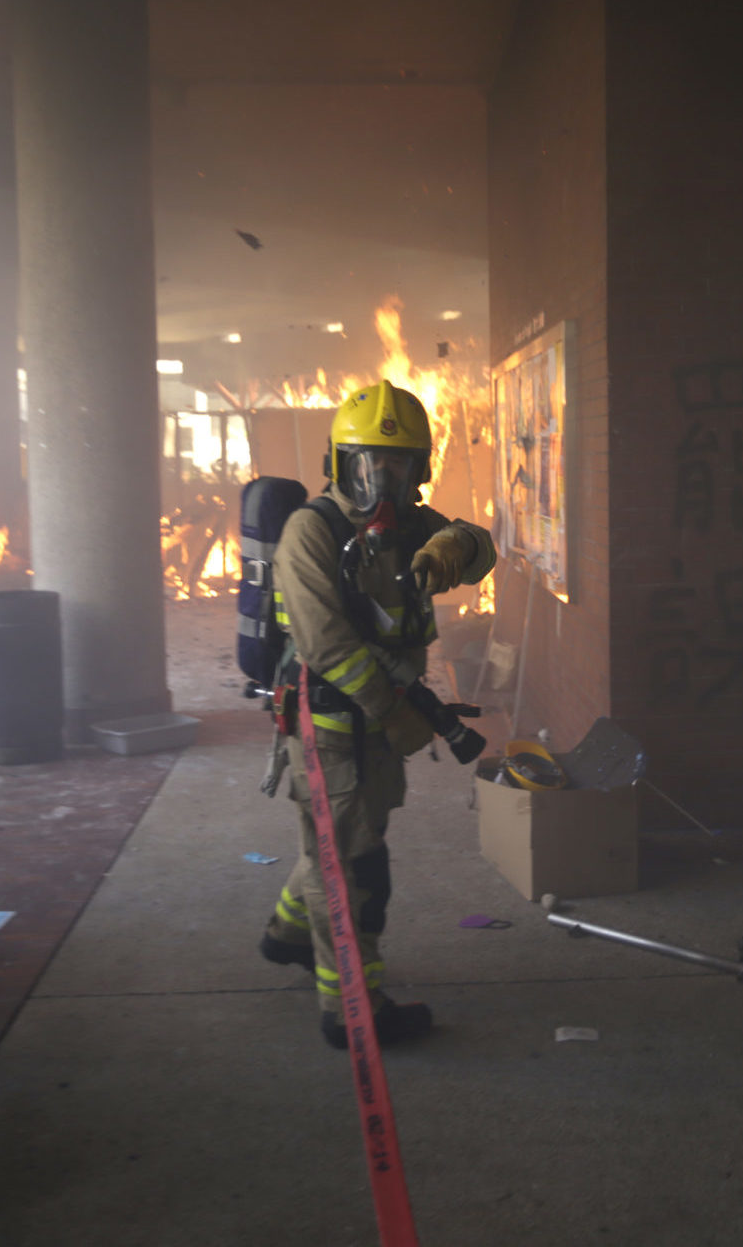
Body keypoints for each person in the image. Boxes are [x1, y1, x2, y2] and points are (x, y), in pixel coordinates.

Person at [256, 380, 495, 1049]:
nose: (383, 484)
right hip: (333, 733)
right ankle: (353, 1011)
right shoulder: (312, 531)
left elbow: (483, 549)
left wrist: (460, 545)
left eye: (399, 468)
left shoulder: (415, 527)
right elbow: (328, 645)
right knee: (355, 871)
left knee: (334, 841)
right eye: (369, 467)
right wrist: (397, 716)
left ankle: (285, 934)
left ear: (420, 470)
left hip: (377, 736)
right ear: (340, 464)